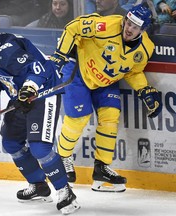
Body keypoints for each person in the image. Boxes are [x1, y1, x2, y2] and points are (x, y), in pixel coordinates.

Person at [0, 9, 80, 214]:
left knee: (39, 148)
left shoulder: (9, 48)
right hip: (21, 97)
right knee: (11, 142)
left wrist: (29, 90)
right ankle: (39, 185)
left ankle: (65, 191)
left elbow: (38, 69)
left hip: (43, 93)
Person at [50, 4, 162, 192]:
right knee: (79, 118)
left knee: (110, 116)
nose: (128, 28)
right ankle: (62, 158)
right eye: (128, 22)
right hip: (79, 71)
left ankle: (101, 168)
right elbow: (73, 27)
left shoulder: (145, 48)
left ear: (143, 30)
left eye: (135, 26)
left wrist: (144, 90)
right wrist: (60, 54)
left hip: (106, 80)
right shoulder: (107, 25)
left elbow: (133, 71)